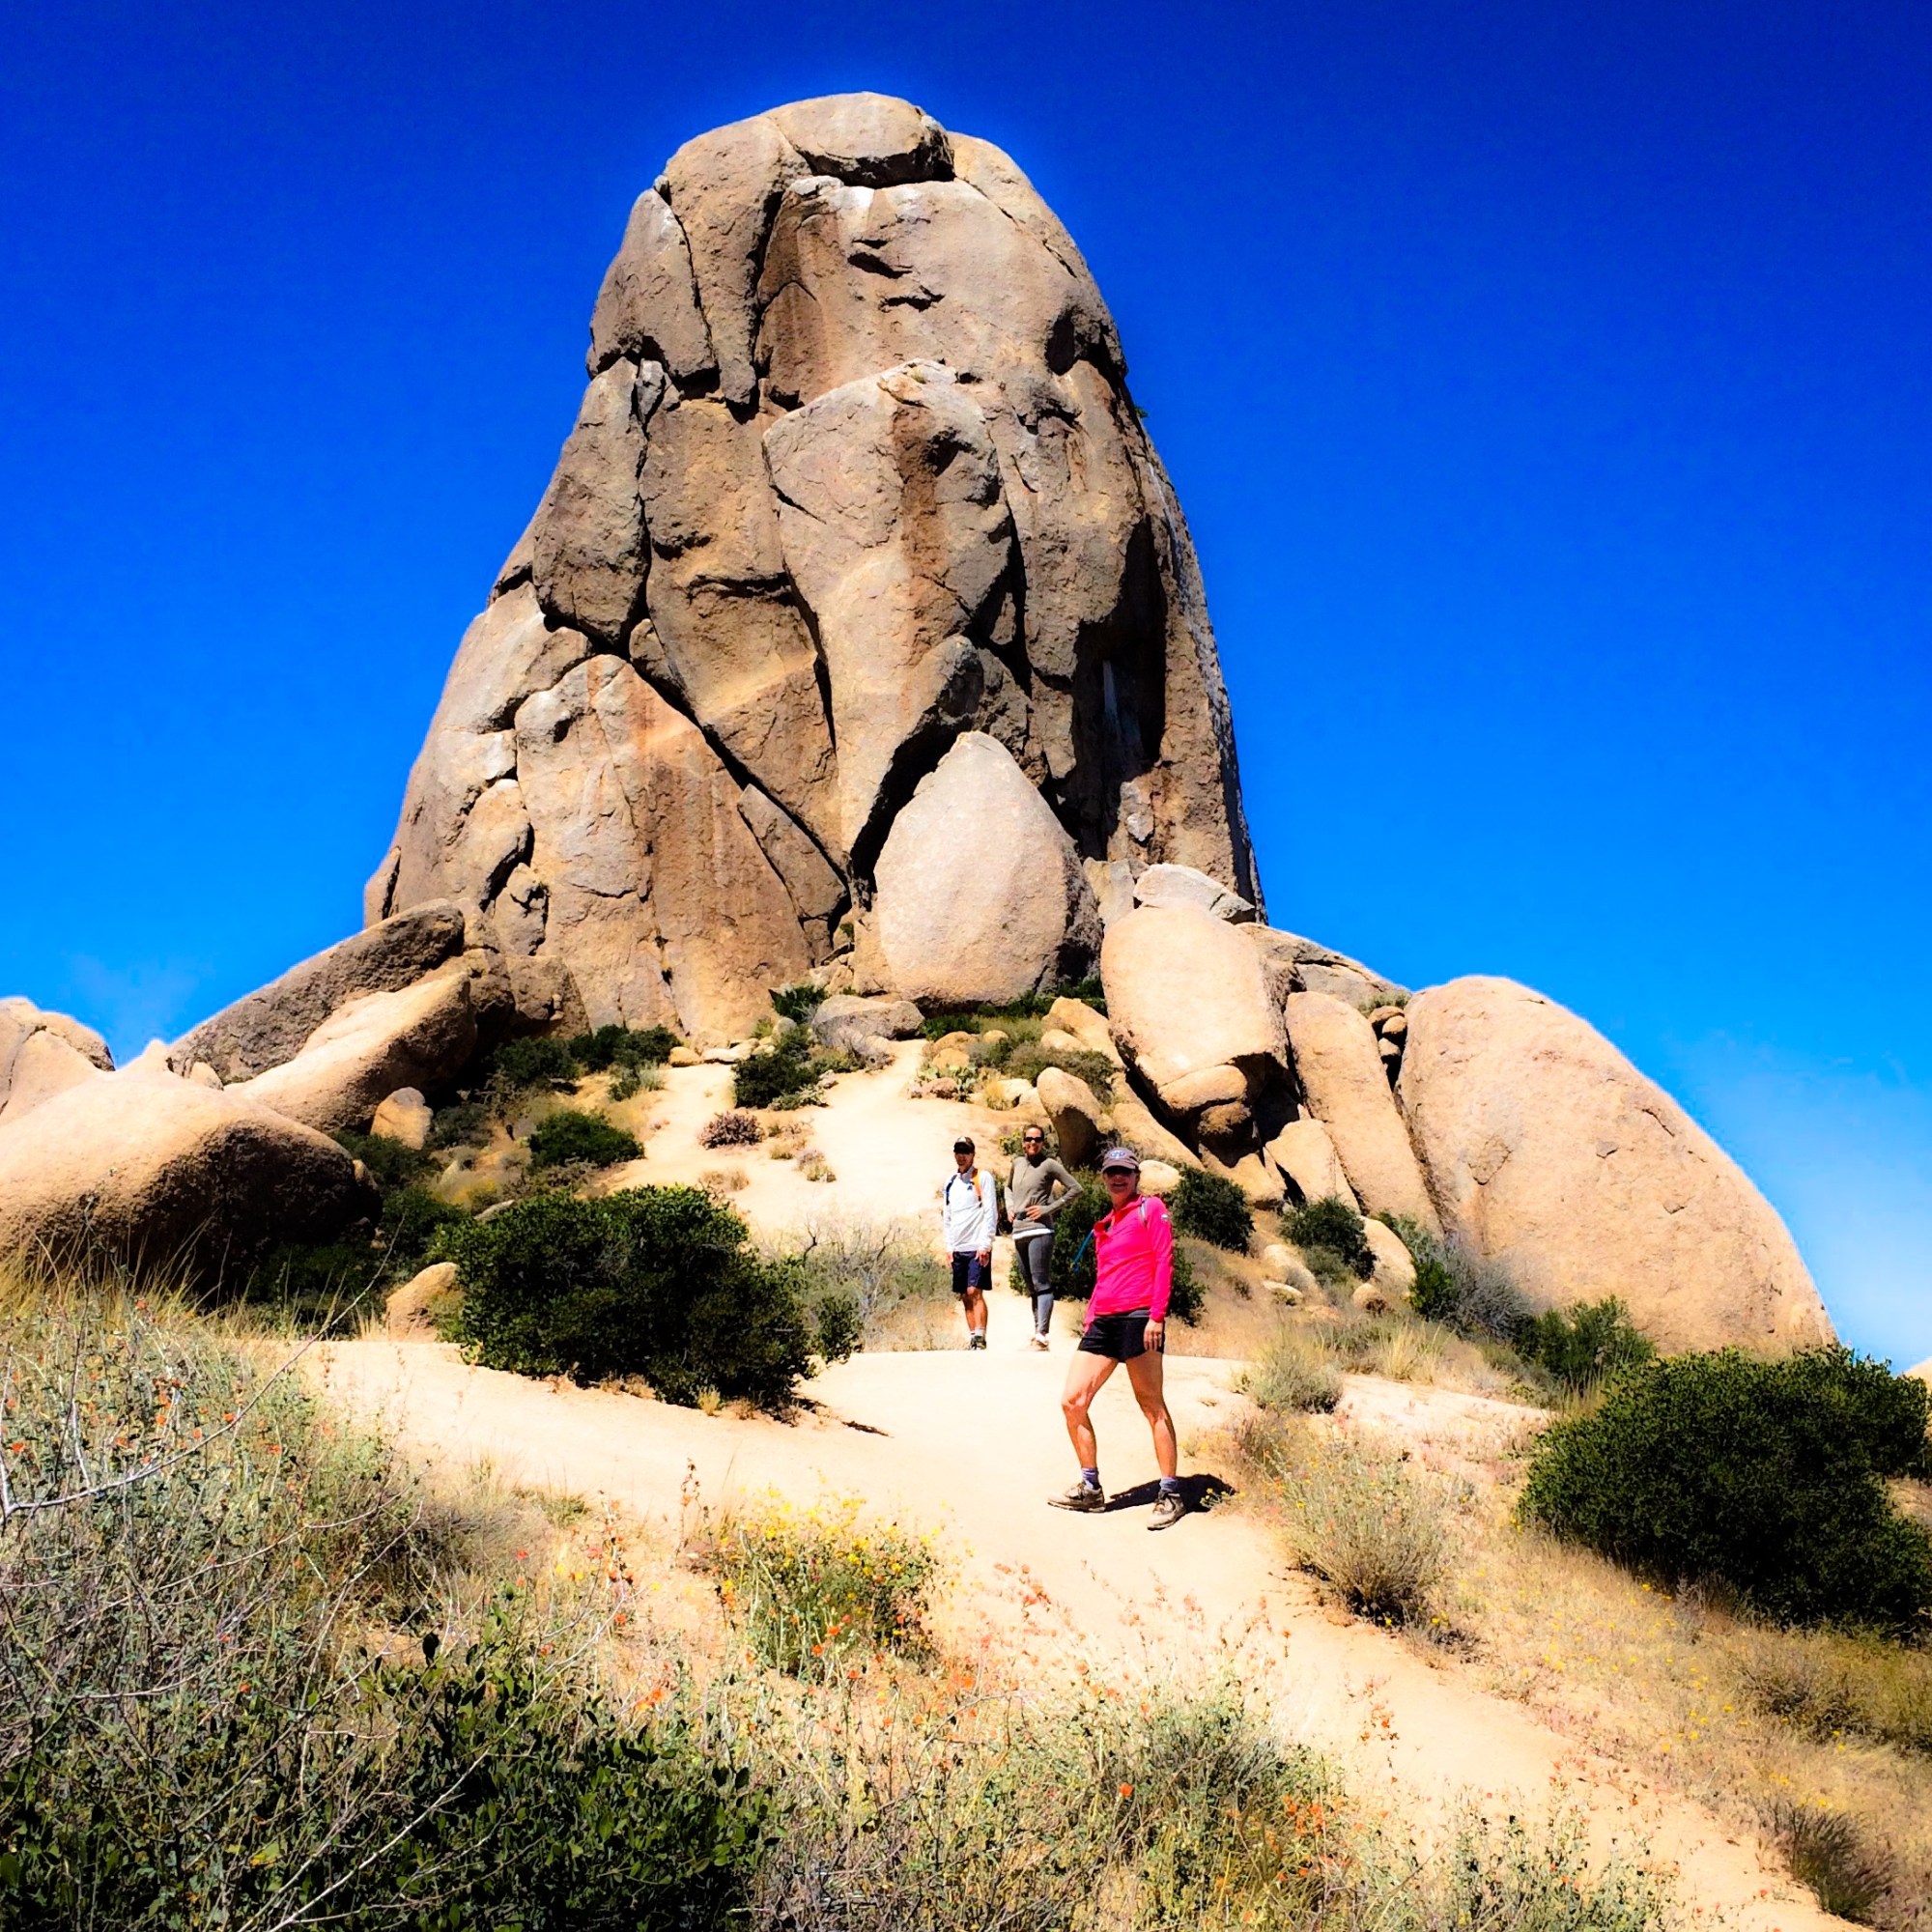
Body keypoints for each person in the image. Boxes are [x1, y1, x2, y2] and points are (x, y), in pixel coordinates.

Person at [1048, 1148, 1185, 1530]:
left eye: (1125, 1171)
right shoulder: (1105, 1225)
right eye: (1111, 1172)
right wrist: (1091, 1317)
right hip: (1104, 1322)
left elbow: (1164, 1259)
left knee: (1151, 1405)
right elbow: (1104, 1276)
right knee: (1072, 1400)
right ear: (1103, 1177)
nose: (1117, 1178)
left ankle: (1171, 1493)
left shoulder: (1151, 1209)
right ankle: (1090, 1488)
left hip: (1141, 1317)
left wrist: (1156, 1316)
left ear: (1136, 1176)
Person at [1007, 1125, 1077, 1349]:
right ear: (1022, 1141)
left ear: (1043, 1142)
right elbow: (1008, 1188)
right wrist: (1009, 1206)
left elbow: (1076, 1188)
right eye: (1028, 1139)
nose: (1033, 1143)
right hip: (1019, 1229)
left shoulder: (1049, 1165)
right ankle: (1038, 1332)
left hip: (1039, 1229)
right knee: (1030, 1285)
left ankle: (1042, 1333)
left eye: (1037, 1139)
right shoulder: (1017, 1163)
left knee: (1041, 1283)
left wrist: (1049, 1209)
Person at [940, 1136, 999, 1350]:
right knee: (964, 1294)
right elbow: (947, 1216)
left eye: (965, 1151)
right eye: (958, 1151)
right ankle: (973, 1337)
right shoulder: (950, 1183)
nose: (961, 1156)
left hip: (976, 1246)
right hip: (958, 1248)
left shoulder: (982, 1178)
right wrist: (949, 1247)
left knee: (975, 1291)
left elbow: (990, 1211)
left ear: (973, 1154)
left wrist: (986, 1244)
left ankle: (981, 1337)